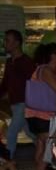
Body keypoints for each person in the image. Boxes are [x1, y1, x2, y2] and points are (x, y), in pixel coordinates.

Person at [26, 43, 56, 170]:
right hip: (41, 115)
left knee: (42, 144)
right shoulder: (46, 70)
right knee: (47, 147)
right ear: (53, 55)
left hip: (41, 114)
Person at [1, 29, 36, 158]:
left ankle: (7, 161)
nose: (5, 43)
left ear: (17, 43)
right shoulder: (10, 62)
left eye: (7, 40)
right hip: (15, 103)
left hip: (23, 103)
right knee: (31, 133)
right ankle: (46, 155)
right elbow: (5, 82)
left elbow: (33, 83)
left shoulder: (26, 62)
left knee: (11, 132)